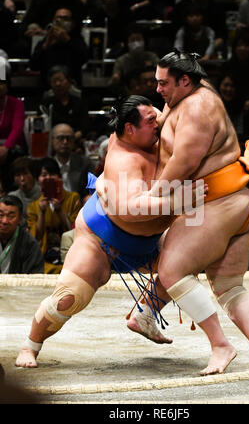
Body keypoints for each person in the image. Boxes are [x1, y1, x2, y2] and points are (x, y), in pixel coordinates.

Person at [15, 95, 220, 370]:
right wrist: (178, 202)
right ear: (129, 130)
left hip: (150, 240)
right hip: (102, 239)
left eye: (157, 116)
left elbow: (177, 112)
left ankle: (146, 312)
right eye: (151, 120)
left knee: (189, 259)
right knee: (69, 298)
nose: (158, 122)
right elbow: (128, 209)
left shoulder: (159, 135)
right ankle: (31, 345)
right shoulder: (125, 158)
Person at [150, 50, 249, 372]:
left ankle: (221, 346)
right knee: (230, 285)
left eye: (164, 83)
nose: (158, 90)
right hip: (236, 198)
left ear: (185, 81)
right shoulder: (193, 93)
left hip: (217, 200)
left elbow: (185, 161)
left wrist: (154, 195)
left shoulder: (196, 106)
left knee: (172, 270)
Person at [26, 157, 81, 274]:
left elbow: (76, 230)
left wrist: (60, 211)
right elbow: (35, 238)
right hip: (45, 259)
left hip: (70, 254)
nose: (48, 178)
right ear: (38, 180)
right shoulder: (33, 207)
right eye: (44, 175)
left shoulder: (73, 198)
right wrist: (41, 212)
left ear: (59, 177)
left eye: (52, 174)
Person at [29, 7, 88, 88]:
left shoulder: (77, 41)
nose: (61, 21)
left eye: (65, 18)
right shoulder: (45, 42)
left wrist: (68, 41)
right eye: (58, 18)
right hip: (48, 89)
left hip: (71, 90)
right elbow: (33, 66)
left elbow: (84, 60)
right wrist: (46, 45)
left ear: (72, 23)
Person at [40, 65, 90, 149]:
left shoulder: (79, 102)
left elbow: (85, 126)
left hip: (75, 141)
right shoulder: (46, 104)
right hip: (52, 144)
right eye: (54, 81)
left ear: (69, 82)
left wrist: (71, 138)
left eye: (61, 80)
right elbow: (43, 127)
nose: (58, 84)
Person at [0, 195, 44, 274]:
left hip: (17, 286)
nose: (4, 221)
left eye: (11, 216)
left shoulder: (30, 244)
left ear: (20, 219)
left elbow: (34, 278)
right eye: (1, 215)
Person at [109, 26, 160, 95]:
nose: (136, 43)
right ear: (127, 43)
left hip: (151, 95)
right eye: (133, 40)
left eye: (138, 39)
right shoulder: (121, 60)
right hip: (129, 95)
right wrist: (115, 79)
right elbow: (113, 81)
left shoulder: (152, 57)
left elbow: (162, 75)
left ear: (144, 41)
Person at [51, 123, 95, 199]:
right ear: (52, 140)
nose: (65, 142)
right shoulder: (47, 164)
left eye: (69, 138)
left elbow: (91, 191)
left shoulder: (85, 163)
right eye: (60, 138)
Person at [0, 75, 27, 192]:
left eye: (1, 83)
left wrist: (5, 147)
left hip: (12, 148)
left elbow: (17, 128)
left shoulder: (16, 103)